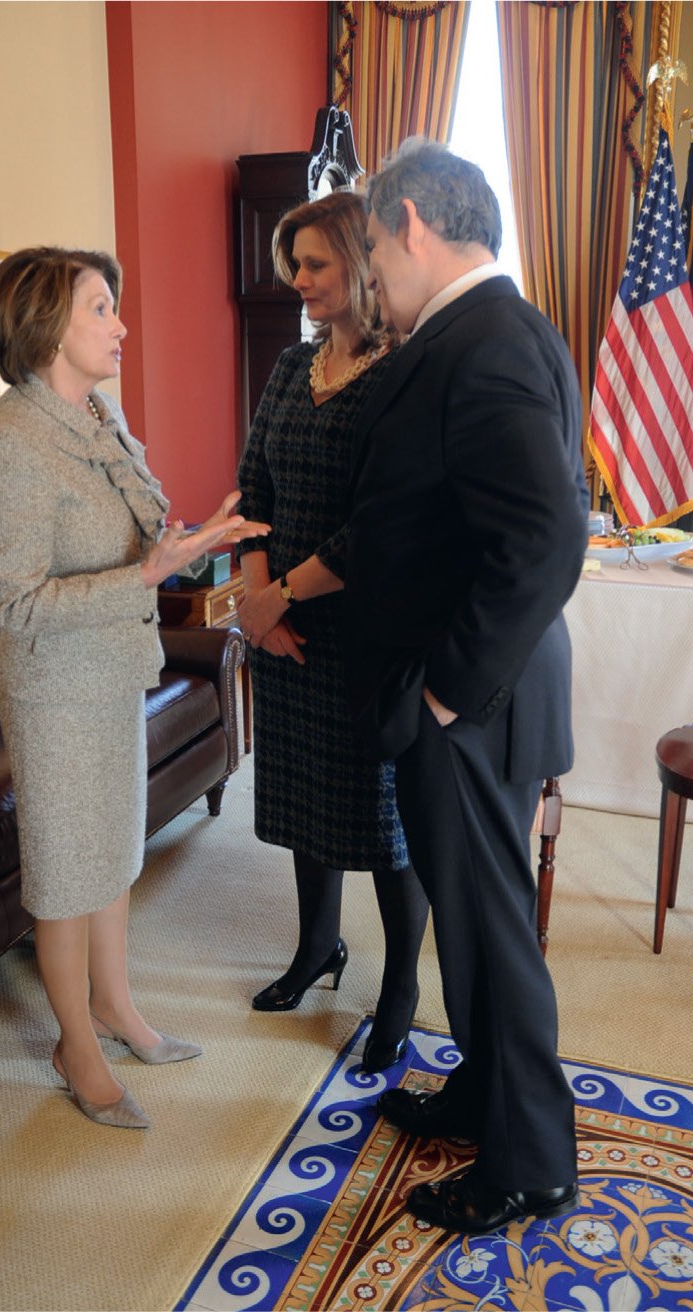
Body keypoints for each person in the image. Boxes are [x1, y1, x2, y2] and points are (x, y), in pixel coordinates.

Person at [344, 141, 589, 1233]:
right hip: (479, 689)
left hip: (470, 699)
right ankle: (483, 1093)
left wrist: (445, 692)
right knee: (474, 921)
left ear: (409, 223)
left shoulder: (482, 338)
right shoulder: (498, 325)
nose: (367, 277)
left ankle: (530, 1163)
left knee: (494, 931)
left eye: (368, 248)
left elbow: (545, 535)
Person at [0, 246, 269, 1130]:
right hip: (55, 692)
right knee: (66, 877)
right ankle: (77, 1047)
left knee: (112, 858)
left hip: (111, 675)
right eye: (103, 308)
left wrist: (191, 540)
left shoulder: (97, 415)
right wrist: (147, 577)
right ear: (49, 327)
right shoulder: (12, 449)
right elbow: (19, 606)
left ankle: (117, 1007)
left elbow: (138, 533)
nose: (121, 324)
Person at [236, 192, 429, 1073]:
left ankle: (399, 989)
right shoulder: (288, 367)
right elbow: (254, 491)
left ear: (361, 261)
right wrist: (254, 599)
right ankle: (319, 949)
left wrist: (278, 600)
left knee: (385, 820)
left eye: (313, 264)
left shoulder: (405, 372)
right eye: (293, 266)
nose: (298, 282)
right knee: (307, 800)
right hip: (283, 632)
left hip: (363, 633)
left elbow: (380, 526)